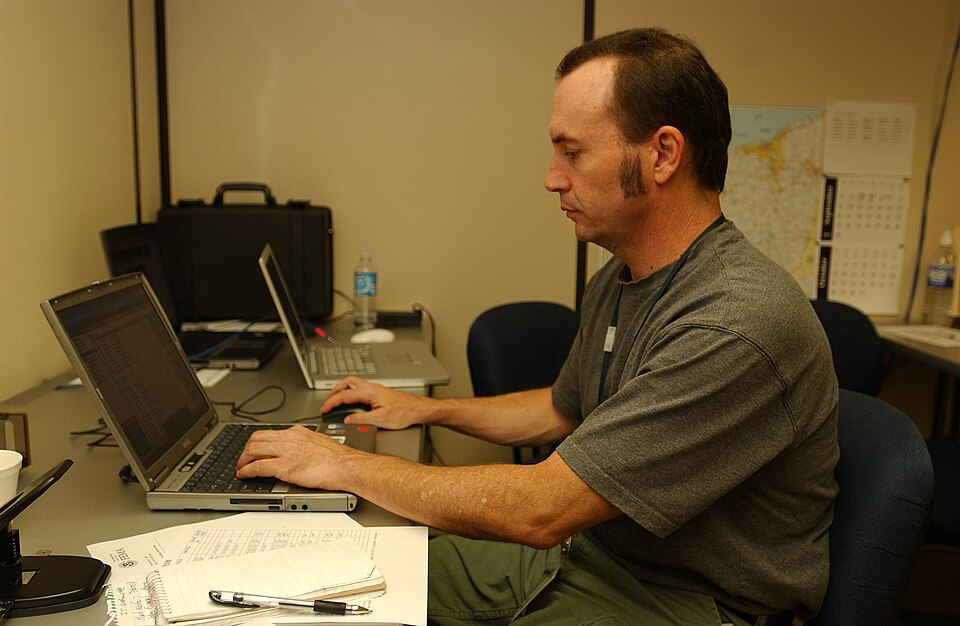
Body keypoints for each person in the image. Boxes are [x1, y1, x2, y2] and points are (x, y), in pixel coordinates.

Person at [237, 28, 839, 625]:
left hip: (684, 602)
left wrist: (343, 465)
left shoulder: (734, 324)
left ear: (661, 154)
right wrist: (426, 411)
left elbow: (543, 511)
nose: (552, 177)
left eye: (573, 152)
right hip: (589, 557)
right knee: (332, 580)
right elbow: (563, 409)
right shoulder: (621, 277)